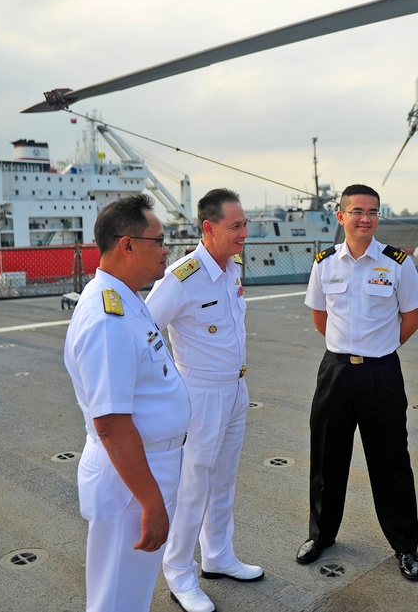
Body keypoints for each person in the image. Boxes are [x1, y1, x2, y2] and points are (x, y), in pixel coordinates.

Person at [63, 194, 190, 612]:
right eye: (159, 240)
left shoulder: (127, 298)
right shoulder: (107, 319)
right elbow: (111, 424)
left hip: (145, 468)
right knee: (117, 599)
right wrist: (151, 502)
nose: (166, 249)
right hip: (131, 481)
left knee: (130, 593)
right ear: (128, 244)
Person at [297, 183, 418, 581]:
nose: (365, 218)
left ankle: (405, 546)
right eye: (357, 211)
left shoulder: (397, 263)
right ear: (341, 216)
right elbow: (320, 317)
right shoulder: (324, 263)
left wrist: (380, 348)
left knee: (391, 462)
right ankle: (321, 537)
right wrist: (347, 350)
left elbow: (411, 318)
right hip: (335, 372)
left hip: (381, 374)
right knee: (326, 458)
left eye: (373, 212)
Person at [146, 188, 262, 612]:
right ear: (209, 228)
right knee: (193, 486)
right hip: (200, 393)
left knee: (223, 479)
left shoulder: (229, 269)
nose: (244, 233)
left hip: (235, 389)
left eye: (245, 224)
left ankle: (218, 555)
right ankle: (179, 574)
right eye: (236, 226)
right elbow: (146, 329)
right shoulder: (183, 276)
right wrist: (169, 384)